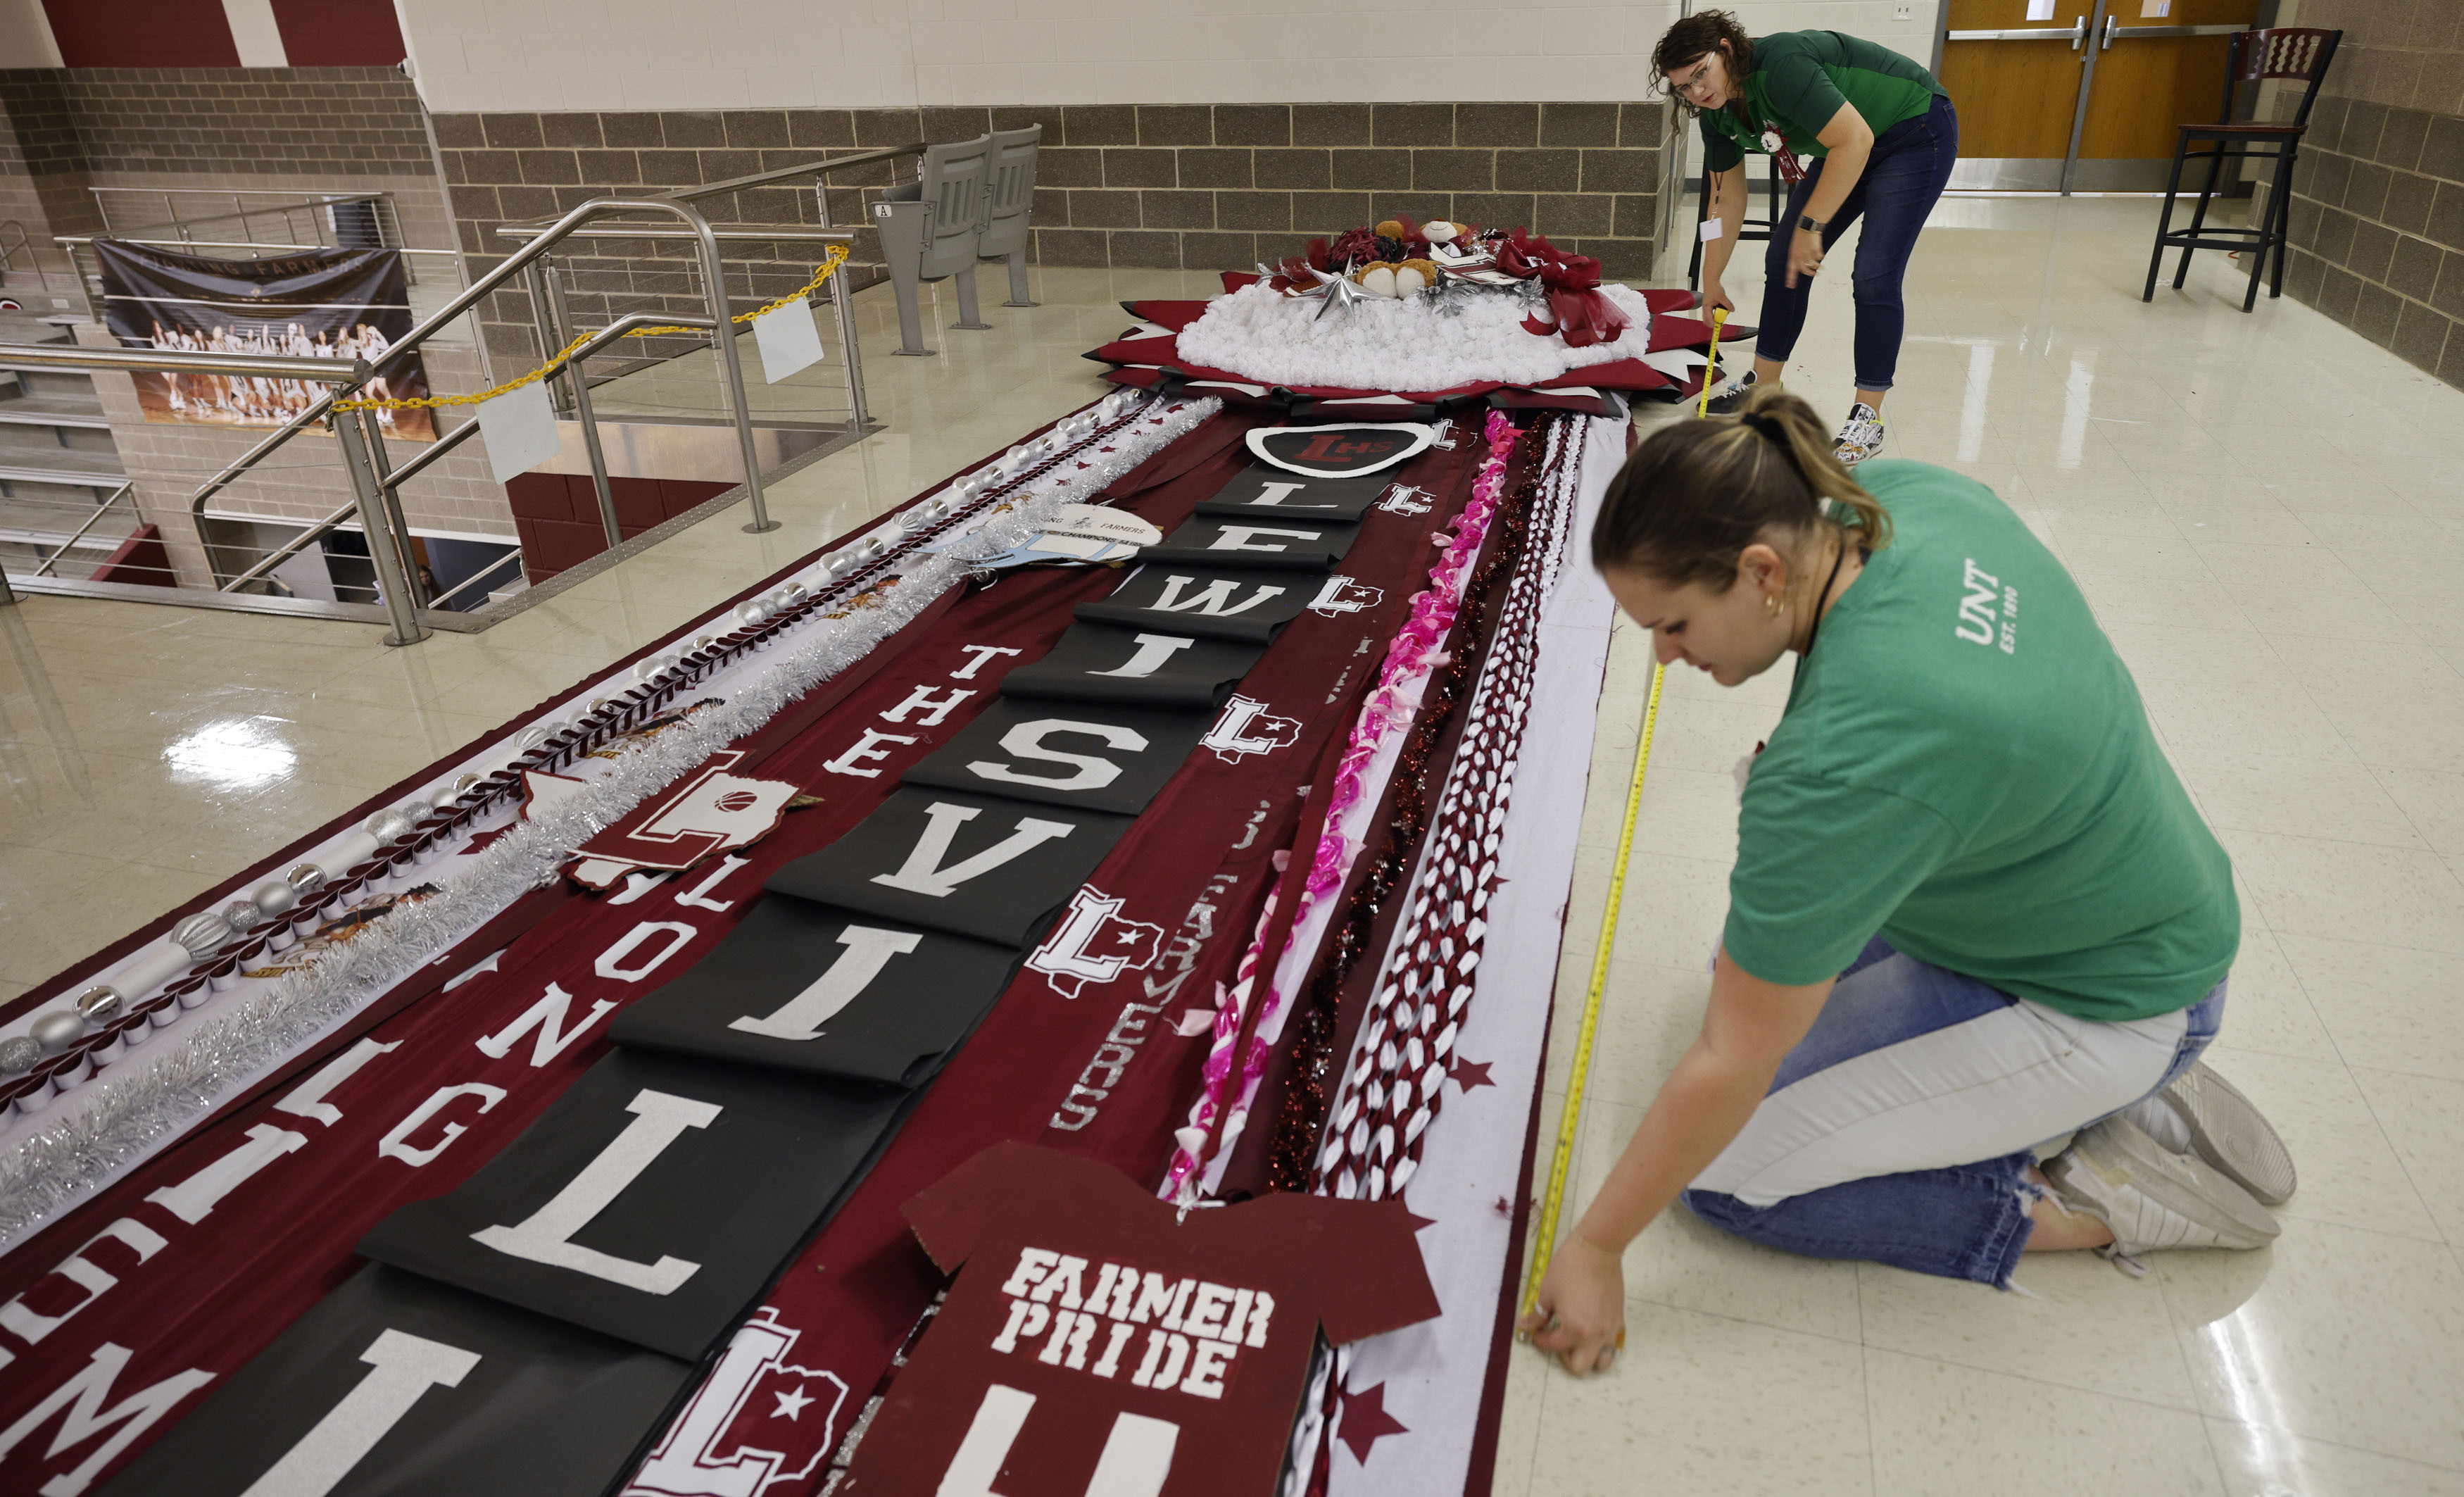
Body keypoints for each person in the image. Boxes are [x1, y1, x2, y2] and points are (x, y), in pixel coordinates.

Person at [1519, 389, 2296, 1377]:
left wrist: (1594, 1245)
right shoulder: (1892, 497)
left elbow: (1731, 1054)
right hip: (2141, 900)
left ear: (1762, 571)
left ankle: (2091, 1192)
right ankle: (2095, 1085)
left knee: (1725, 1172)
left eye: (1672, 624)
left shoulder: (1845, 762)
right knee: (1744, 961)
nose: (1667, 657)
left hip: (2103, 994)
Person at [1654, 12, 1959, 464]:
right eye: (1684, 87)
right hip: (1848, 145)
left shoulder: (1782, 65)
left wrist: (1811, 226)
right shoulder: (1715, 117)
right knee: (1783, 261)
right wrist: (1712, 277)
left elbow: (1853, 140)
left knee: (1874, 274)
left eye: (1701, 73)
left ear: (1726, 49)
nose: (1697, 91)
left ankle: (1867, 419)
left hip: (1912, 130)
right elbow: (1722, 202)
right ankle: (1764, 387)